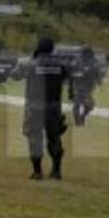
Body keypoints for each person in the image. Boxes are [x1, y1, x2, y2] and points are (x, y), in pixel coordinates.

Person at [12, 37, 70, 179]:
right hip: (54, 107)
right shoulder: (61, 65)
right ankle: (56, 170)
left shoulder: (30, 63)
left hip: (35, 107)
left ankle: (37, 172)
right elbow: (66, 78)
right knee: (54, 138)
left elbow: (15, 76)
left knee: (35, 139)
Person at [71, 45, 101, 127]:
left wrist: (99, 82)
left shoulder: (94, 61)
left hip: (89, 87)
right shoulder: (77, 61)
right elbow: (72, 73)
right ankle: (78, 121)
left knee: (90, 106)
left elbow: (97, 72)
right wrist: (79, 75)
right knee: (77, 104)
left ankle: (82, 116)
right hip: (79, 86)